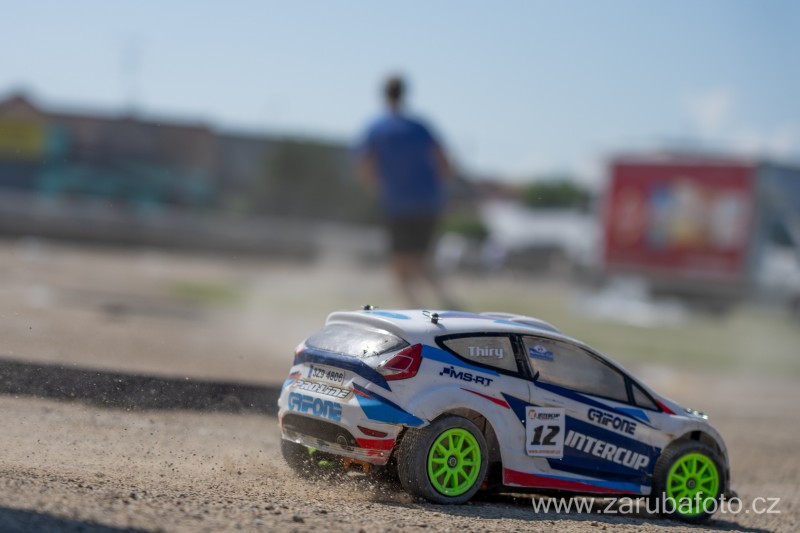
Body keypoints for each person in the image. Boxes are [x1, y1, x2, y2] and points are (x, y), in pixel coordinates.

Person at [358, 75, 457, 309]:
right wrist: (444, 193)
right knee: (420, 259)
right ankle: (447, 303)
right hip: (428, 202)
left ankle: (416, 310)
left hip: (397, 205)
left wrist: (379, 188)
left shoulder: (377, 129)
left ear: (384, 94)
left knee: (399, 266)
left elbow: (365, 165)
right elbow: (445, 163)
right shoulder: (420, 127)